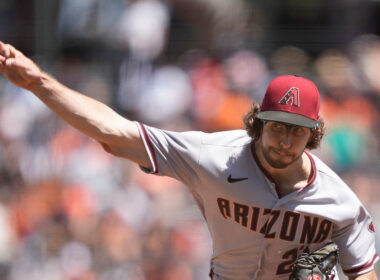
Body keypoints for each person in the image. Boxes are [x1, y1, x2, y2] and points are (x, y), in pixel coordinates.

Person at [0, 41, 378, 280]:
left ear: (312, 135)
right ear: (258, 123)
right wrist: (39, 83)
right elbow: (115, 132)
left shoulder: (340, 202)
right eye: (277, 126)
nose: (284, 139)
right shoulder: (212, 157)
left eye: (297, 130)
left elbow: (362, 272)